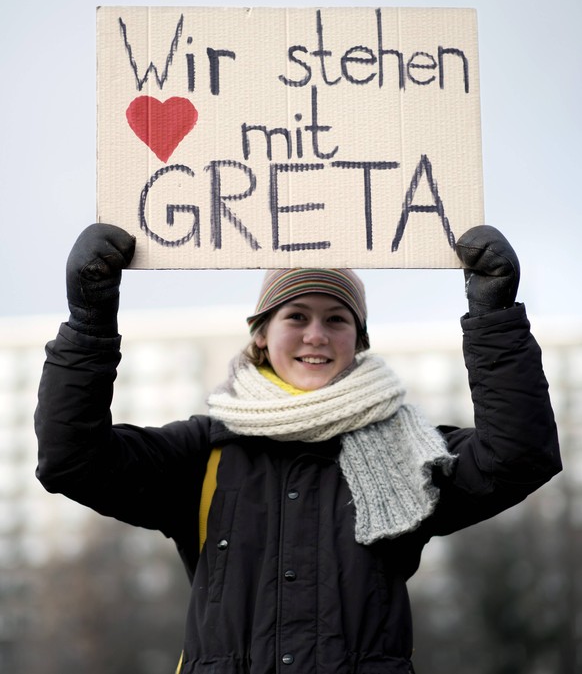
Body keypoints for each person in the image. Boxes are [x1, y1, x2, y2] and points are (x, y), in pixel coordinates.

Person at [35, 223, 561, 674]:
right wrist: (89, 322)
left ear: (358, 341)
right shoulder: (204, 451)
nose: (317, 335)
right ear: (261, 334)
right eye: (296, 316)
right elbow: (73, 459)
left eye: (337, 319)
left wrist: (496, 318)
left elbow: (517, 456)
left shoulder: (410, 451)